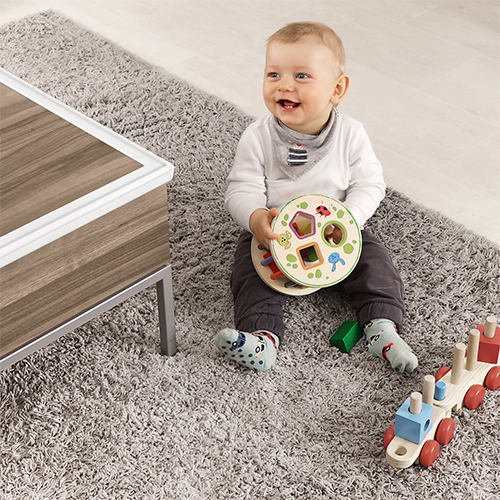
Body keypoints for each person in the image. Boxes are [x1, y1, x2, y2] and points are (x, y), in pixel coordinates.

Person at [214, 21, 418, 373]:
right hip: (277, 237)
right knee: (247, 269)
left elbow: (370, 183)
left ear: (337, 89)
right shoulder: (257, 137)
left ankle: (382, 328)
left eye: (301, 76)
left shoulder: (351, 134)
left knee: (375, 262)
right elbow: (240, 188)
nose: (284, 85)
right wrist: (256, 218)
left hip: (336, 234)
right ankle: (262, 337)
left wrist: (349, 219)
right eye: (273, 74)